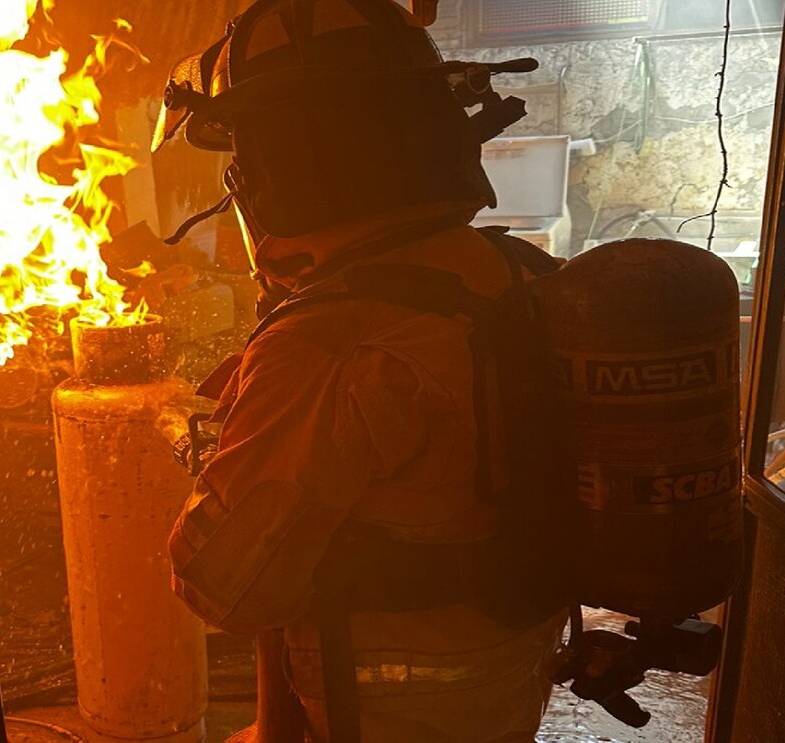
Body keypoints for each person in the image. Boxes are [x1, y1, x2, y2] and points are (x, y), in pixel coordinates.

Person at [153, 1, 570, 741]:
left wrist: (207, 459)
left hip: (386, 703)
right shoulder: (517, 272)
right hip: (509, 675)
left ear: (282, 166)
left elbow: (225, 585)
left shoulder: (325, 340)